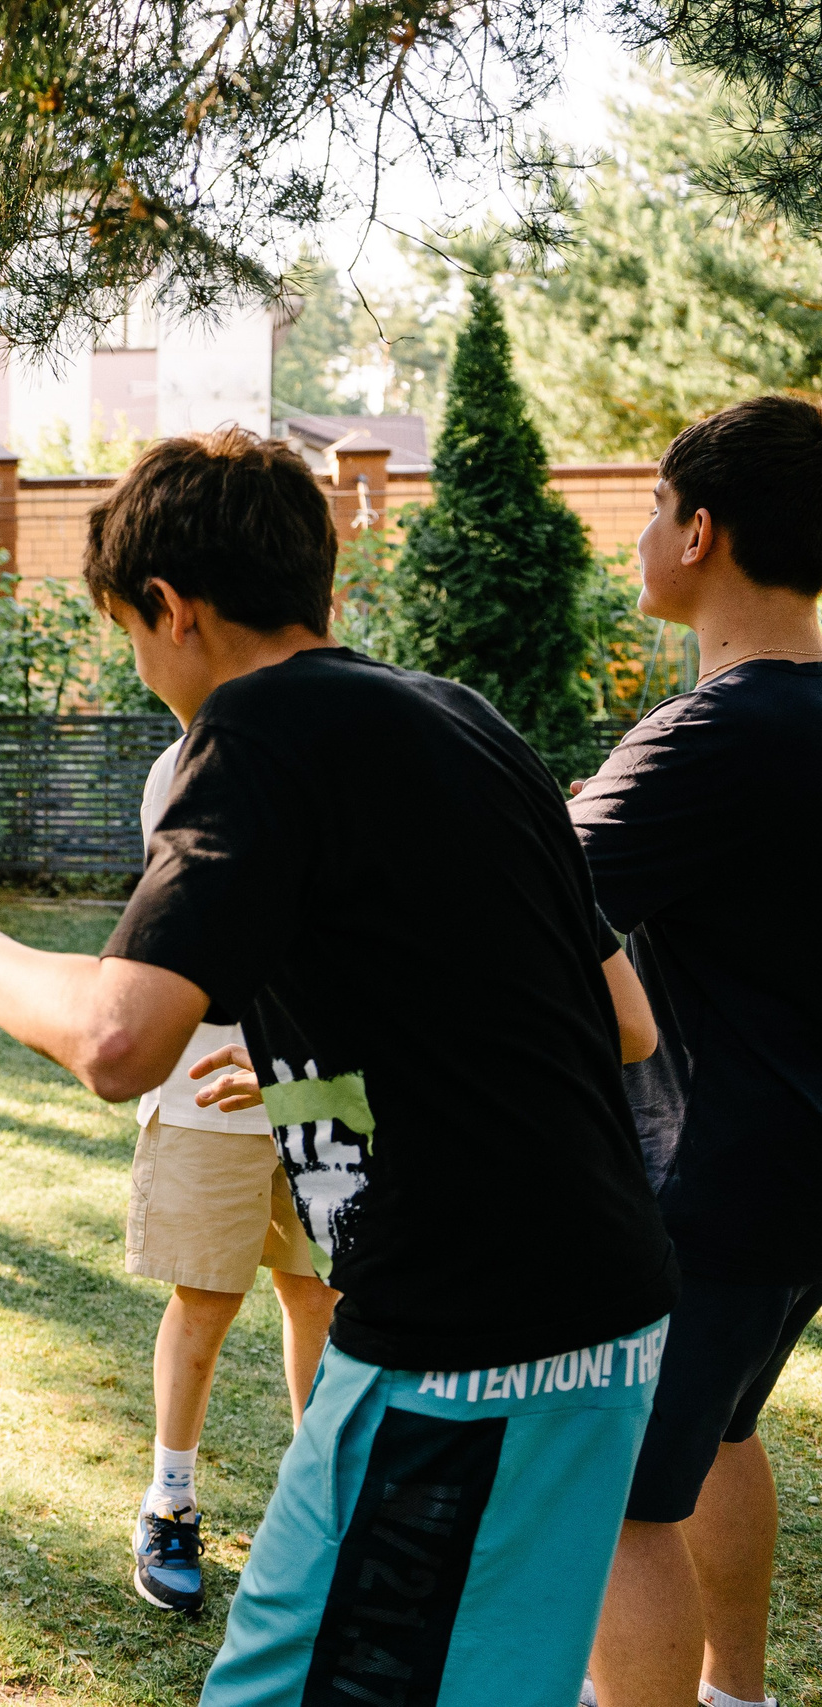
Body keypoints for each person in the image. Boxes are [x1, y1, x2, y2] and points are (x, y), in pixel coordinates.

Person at [0, 429, 675, 1705]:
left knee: (281, 1686)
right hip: (613, 1314)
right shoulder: (464, 719)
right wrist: (325, 1066)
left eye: (128, 630)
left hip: (459, 1339)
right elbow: (619, 1020)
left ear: (170, 606)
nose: (141, 664)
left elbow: (116, 1042)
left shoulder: (253, 728)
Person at [570, 396, 822, 1707]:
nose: (641, 535)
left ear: (702, 530)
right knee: (721, 1433)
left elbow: (528, 904)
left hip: (709, 1181)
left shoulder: (708, 734)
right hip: (798, 1183)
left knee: (619, 1500)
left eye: (654, 510)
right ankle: (738, 1694)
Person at [120, 734, 337, 1615]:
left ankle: (319, 1506)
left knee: (320, 1293)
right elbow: (193, 919)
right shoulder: (189, 761)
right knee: (206, 1298)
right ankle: (168, 1501)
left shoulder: (343, 740)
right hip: (208, 1084)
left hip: (326, 1083)